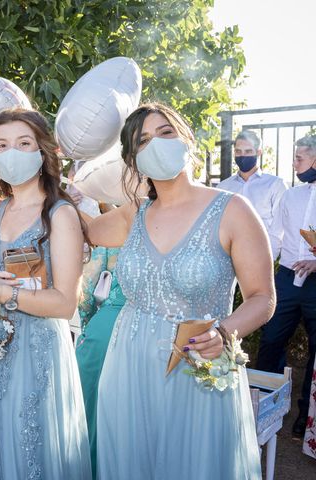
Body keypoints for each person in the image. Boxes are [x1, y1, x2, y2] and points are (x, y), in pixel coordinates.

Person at [88, 103, 274, 479]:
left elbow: (263, 297)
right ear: (134, 160)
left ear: (187, 139)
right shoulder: (132, 214)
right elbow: (73, 232)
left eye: (166, 133)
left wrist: (224, 333)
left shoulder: (233, 210)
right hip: (129, 365)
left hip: (199, 364)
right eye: (143, 140)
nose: (156, 144)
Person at [0, 107, 91, 479]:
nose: (12, 152)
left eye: (23, 143)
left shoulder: (60, 214)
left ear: (43, 152)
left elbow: (64, 302)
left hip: (36, 353)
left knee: (29, 452)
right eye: (2, 145)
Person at [260, 134, 316, 438]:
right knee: (271, 340)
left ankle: (306, 416)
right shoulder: (291, 195)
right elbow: (275, 236)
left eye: (299, 158)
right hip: (285, 278)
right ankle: (262, 403)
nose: (295, 164)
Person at [75, 240, 125, 477]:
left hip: (103, 331)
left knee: (90, 416)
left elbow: (87, 288)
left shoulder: (113, 234)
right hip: (158, 336)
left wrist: (87, 321)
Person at [217, 130, 286, 235]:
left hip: (264, 248)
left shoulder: (275, 185)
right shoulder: (222, 187)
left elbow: (279, 228)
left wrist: (268, 251)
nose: (242, 155)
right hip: (229, 249)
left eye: (248, 151)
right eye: (238, 151)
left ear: (259, 152)